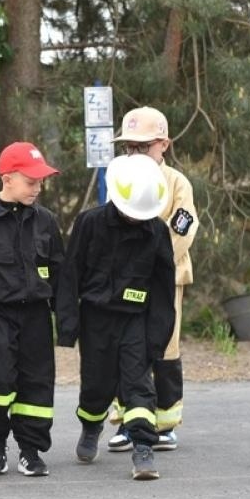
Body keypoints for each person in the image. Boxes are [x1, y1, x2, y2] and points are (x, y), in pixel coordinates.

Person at [56, 154, 176, 480]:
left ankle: (143, 449)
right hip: (95, 319)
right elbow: (70, 276)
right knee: (96, 385)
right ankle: (92, 425)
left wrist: (157, 339)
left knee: (138, 385)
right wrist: (67, 327)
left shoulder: (156, 232)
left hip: (136, 320)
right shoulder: (90, 223)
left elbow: (164, 292)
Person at [0, 141, 67, 478]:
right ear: (7, 179)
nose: (38, 187)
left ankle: (31, 450)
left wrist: (64, 318)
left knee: (37, 383)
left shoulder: (46, 221)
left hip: (36, 314)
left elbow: (60, 271)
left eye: (40, 182)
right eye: (31, 181)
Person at [105, 107, 198, 452]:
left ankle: (165, 422)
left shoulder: (176, 182)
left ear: (164, 144)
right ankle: (131, 421)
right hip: (126, 279)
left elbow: (183, 227)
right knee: (126, 346)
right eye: (129, 147)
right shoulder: (119, 177)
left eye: (143, 146)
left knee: (164, 345)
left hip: (165, 279)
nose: (135, 153)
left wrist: (154, 265)